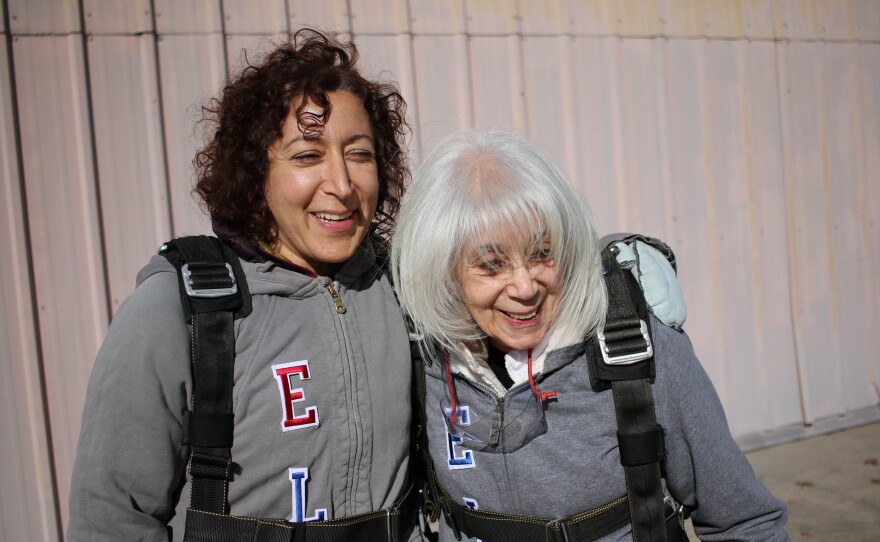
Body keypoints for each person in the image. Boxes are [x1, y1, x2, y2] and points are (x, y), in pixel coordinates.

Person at [68, 29, 419, 541]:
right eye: (306, 156)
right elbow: (111, 519)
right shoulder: (178, 310)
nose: (342, 186)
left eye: (360, 155)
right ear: (256, 172)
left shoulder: (407, 292)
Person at [391, 130, 789, 541]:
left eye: (542, 253)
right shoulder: (425, 360)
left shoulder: (637, 353)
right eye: (492, 264)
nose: (526, 287)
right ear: (444, 273)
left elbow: (746, 522)